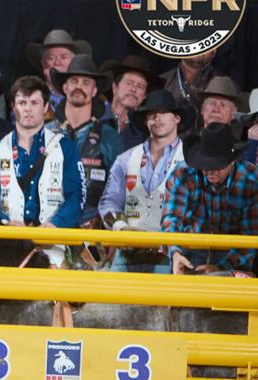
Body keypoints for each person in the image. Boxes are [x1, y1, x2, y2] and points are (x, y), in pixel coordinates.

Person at [0, 75, 84, 266]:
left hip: (53, 244)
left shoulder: (66, 148)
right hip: (8, 244)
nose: (27, 108)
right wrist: (4, 222)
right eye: (22, 102)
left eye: (34, 102)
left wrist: (55, 224)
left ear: (45, 107)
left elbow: (76, 196)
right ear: (13, 106)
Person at [98, 90, 193, 273]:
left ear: (177, 119)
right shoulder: (125, 159)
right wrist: (122, 228)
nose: (157, 118)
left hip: (171, 255)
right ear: (145, 120)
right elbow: (108, 202)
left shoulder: (190, 162)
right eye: (151, 114)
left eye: (164, 112)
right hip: (127, 254)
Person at [163, 122, 258, 275]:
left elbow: (251, 236)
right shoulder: (183, 174)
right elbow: (172, 218)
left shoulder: (251, 179)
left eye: (218, 165)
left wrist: (221, 267)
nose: (211, 171)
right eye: (205, 165)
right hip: (189, 252)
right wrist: (175, 253)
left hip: (233, 255)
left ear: (232, 161)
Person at [46, 54, 124, 225]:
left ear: (94, 91)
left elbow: (119, 195)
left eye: (86, 82)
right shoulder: (45, 134)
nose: (79, 86)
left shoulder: (110, 138)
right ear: (65, 87)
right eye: (74, 81)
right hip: (47, 228)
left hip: (92, 237)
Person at [101, 55, 161, 150]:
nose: (133, 89)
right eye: (129, 83)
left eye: (140, 87)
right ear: (114, 87)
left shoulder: (146, 134)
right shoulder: (94, 117)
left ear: (144, 97)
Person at [24, 29, 91, 113]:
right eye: (51, 58)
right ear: (43, 64)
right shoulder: (29, 97)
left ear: (75, 62)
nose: (57, 62)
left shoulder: (89, 95)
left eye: (63, 57)